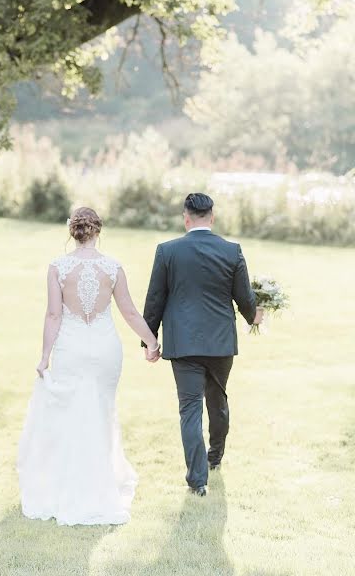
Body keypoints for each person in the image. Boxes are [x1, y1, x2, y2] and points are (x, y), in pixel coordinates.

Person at [17, 207, 160, 526]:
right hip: (105, 347)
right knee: (100, 412)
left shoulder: (58, 267)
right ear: (98, 231)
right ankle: (99, 483)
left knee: (70, 414)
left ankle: (69, 485)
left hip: (71, 347)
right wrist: (151, 342)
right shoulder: (113, 267)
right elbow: (130, 313)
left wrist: (44, 356)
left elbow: (54, 315)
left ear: (73, 231)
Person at [142, 193, 263, 496]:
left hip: (182, 343)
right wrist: (254, 317)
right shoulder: (231, 251)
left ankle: (198, 481)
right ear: (212, 217)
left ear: (186, 218)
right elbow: (245, 298)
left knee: (189, 409)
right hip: (220, 343)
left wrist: (148, 340)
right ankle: (215, 456)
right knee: (218, 401)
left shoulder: (167, 251)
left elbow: (155, 299)